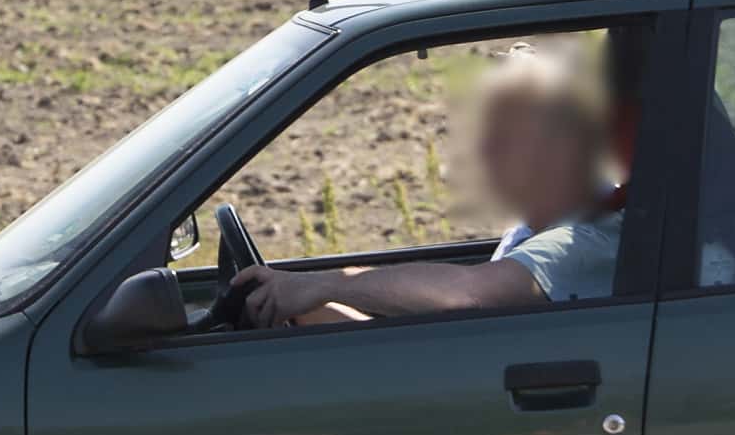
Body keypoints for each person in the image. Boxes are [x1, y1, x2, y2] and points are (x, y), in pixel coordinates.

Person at [235, 49, 619, 326]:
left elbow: (465, 296)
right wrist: (306, 303)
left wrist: (330, 283)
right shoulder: (531, 229)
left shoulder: (583, 239)